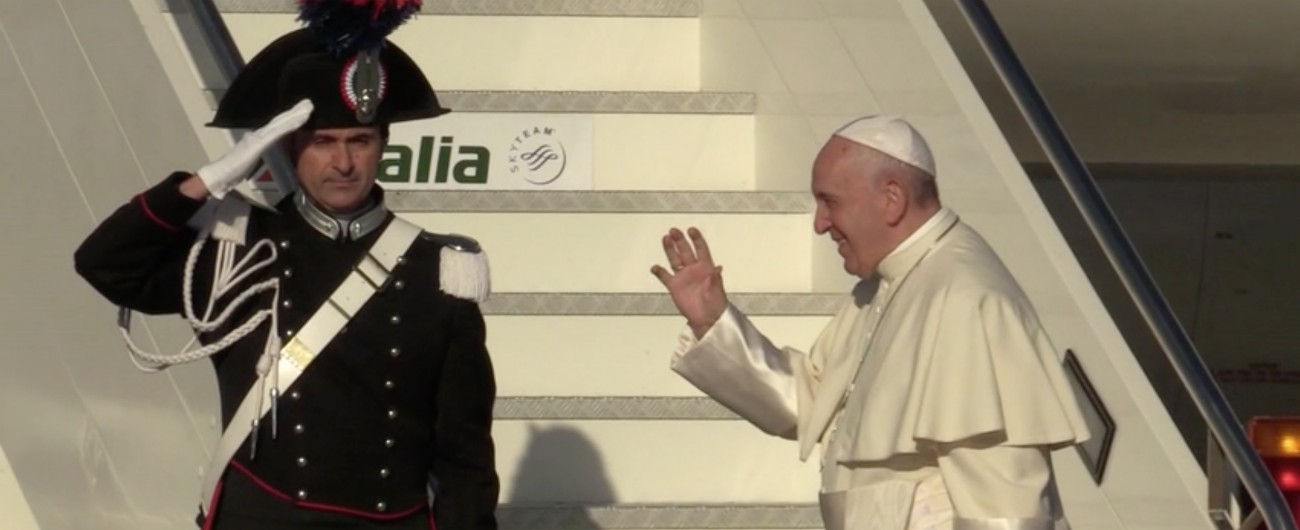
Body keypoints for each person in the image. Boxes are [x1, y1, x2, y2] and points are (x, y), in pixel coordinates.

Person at [73, 6, 499, 529]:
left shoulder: (439, 271)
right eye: (323, 142)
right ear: (289, 149)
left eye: (358, 141)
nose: (343, 163)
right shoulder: (238, 251)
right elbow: (104, 265)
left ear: (382, 146)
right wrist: (204, 183)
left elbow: (464, 454)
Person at [651, 116, 1090, 530]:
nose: (820, 224)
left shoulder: (967, 298)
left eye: (830, 201)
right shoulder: (883, 285)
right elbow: (808, 406)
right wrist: (713, 321)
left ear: (892, 199)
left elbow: (1006, 509)